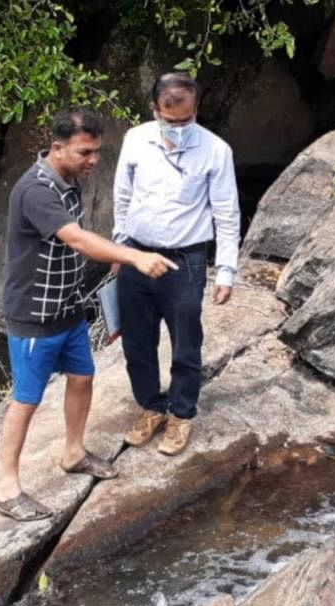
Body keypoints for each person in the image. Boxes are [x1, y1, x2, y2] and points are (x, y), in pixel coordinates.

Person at [0, 110, 177, 521]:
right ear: (57, 148)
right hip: (34, 315)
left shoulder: (70, 182)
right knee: (25, 400)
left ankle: (73, 452)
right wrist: (132, 256)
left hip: (68, 308)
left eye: (96, 151)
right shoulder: (36, 190)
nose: (93, 159)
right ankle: (7, 488)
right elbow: (76, 238)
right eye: (85, 152)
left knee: (82, 377)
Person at [111, 72, 241, 457]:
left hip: (185, 259)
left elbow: (226, 213)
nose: (180, 127)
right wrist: (121, 250)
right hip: (137, 252)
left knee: (186, 340)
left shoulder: (216, 150)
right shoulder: (136, 139)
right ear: (155, 111)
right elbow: (122, 195)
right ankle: (151, 406)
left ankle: (182, 413)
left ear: (196, 110)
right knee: (137, 339)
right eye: (171, 121)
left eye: (186, 120)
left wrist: (227, 269)